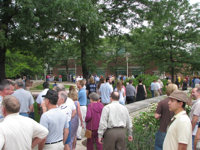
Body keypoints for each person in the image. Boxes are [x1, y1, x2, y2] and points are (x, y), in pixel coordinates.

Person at [154, 84, 178, 150]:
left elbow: (156, 116)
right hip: (175, 131)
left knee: (159, 147)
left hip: (163, 130)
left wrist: (161, 115)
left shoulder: (162, 102)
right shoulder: (179, 103)